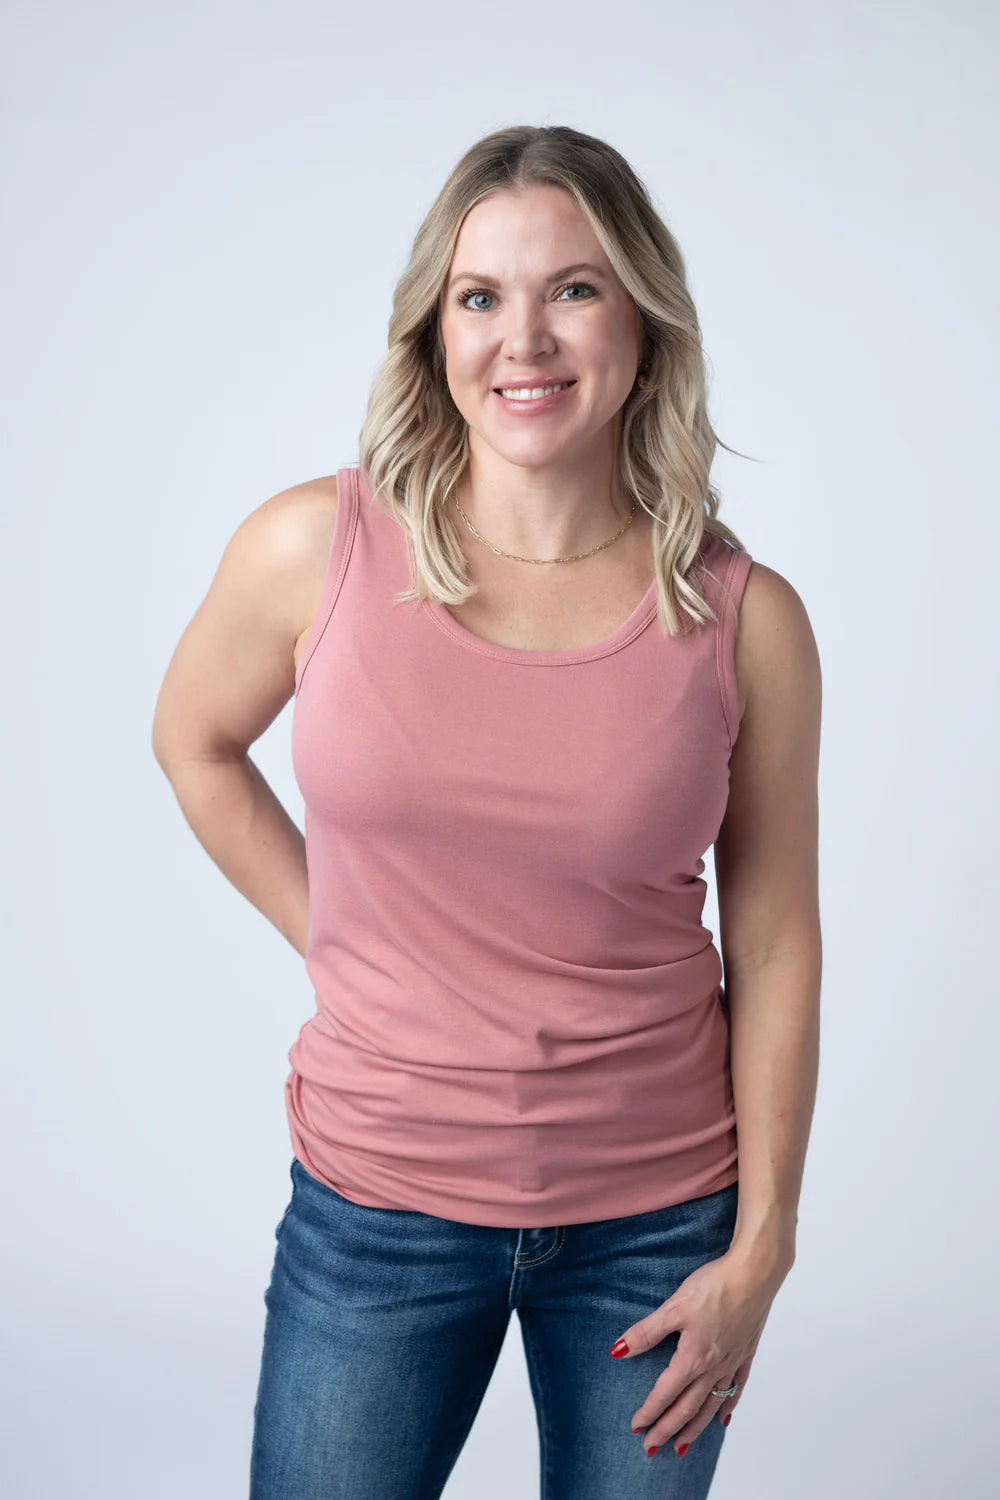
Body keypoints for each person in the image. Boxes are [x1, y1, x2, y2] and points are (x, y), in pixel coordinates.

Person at [151, 124, 822, 1500]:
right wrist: (340, 938)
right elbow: (193, 742)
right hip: (378, 1203)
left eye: (574, 288)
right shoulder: (313, 549)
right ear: (436, 331)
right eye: (480, 296)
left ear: (643, 319)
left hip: (657, 1228)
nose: (525, 339)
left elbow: (772, 946)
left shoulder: (745, 621)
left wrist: (764, 1247)